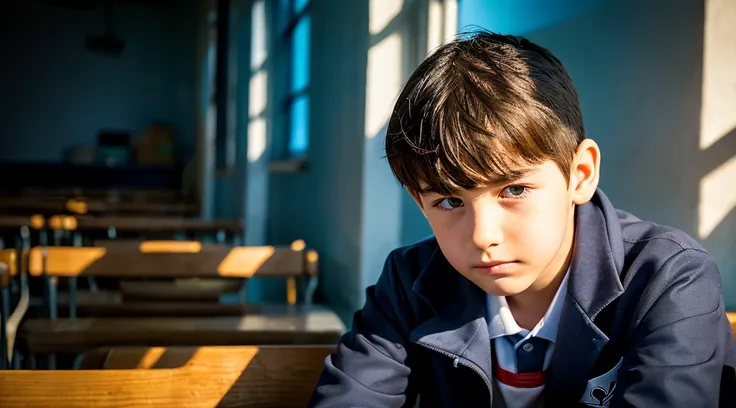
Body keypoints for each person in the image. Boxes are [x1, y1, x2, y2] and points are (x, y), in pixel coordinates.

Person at [307, 30, 736, 407]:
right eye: (450, 202)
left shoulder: (668, 277)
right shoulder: (409, 283)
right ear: (420, 203)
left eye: (514, 190)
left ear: (580, 174)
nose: (483, 236)